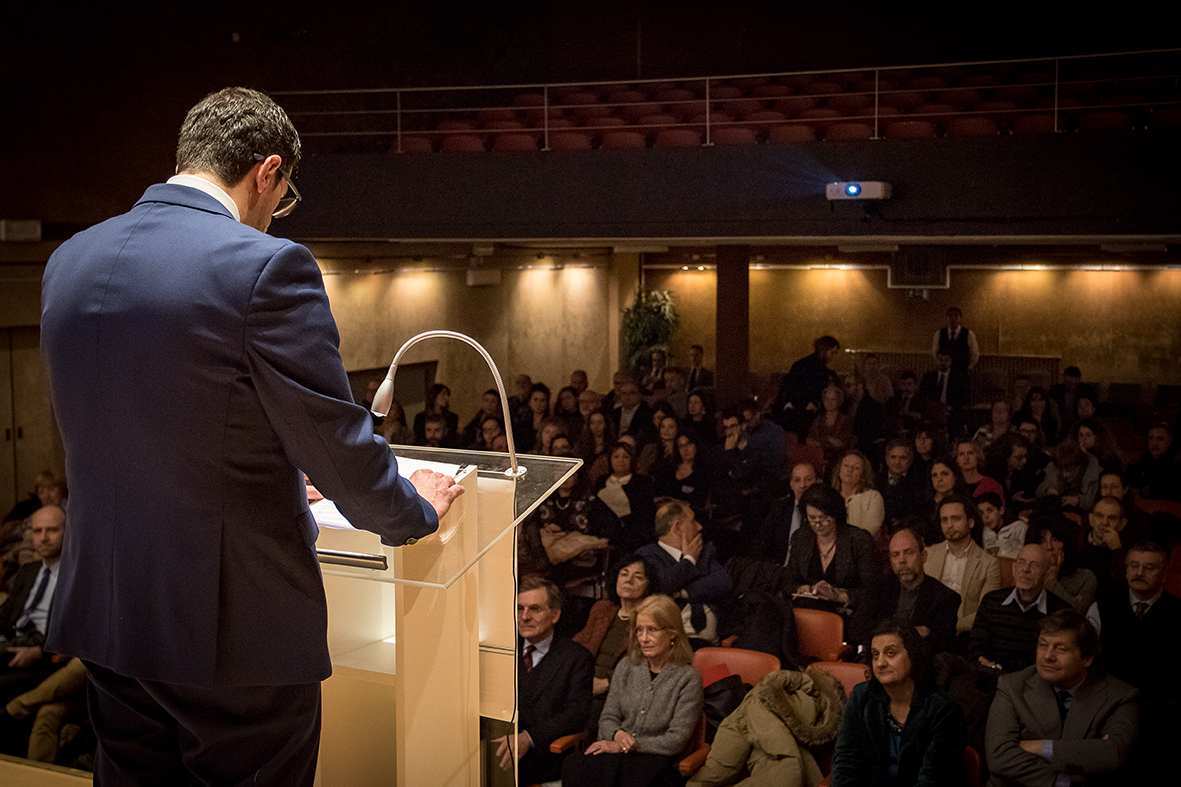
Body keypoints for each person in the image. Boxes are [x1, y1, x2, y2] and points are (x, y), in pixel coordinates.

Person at [39, 87, 462, 785]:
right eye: (283, 194)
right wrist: (413, 509)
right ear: (267, 172)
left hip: (109, 613)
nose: (275, 214)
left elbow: (143, 428)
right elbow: (338, 444)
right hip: (231, 632)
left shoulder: (71, 259)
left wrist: (272, 470)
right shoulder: (265, 266)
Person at [562, 595, 704, 787]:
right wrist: (617, 735)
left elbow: (675, 740)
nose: (644, 638)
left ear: (672, 633)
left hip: (656, 758)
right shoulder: (626, 666)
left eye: (652, 630)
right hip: (619, 753)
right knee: (575, 764)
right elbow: (608, 717)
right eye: (639, 630)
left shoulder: (688, 678)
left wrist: (627, 745)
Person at [984, 610, 1138, 787]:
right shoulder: (1011, 686)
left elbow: (1113, 754)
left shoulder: (1120, 696)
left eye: (1061, 649)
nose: (1048, 656)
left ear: (1086, 659)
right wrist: (1064, 779)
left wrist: (1039, 747)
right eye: (1043, 645)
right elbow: (999, 756)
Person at [832, 619, 968, 787]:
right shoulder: (861, 697)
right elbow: (846, 761)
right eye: (875, 655)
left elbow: (933, 779)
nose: (880, 663)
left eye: (890, 653)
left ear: (913, 655)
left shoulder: (944, 710)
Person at [497, 578, 594, 784]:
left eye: (535, 609)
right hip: (497, 749)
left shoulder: (576, 658)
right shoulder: (501, 651)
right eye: (519, 608)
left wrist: (529, 738)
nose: (524, 617)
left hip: (545, 754)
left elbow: (576, 714)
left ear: (554, 614)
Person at [848, 528, 962, 659]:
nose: (902, 560)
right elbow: (856, 629)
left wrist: (881, 628)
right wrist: (915, 631)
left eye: (908, 553)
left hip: (918, 668)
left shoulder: (944, 597)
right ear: (891, 560)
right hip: (876, 661)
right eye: (896, 555)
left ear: (923, 556)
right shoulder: (880, 588)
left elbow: (940, 644)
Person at [637, 498, 732, 645]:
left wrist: (680, 593)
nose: (699, 527)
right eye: (693, 521)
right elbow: (663, 583)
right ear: (678, 527)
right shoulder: (648, 555)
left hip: (711, 643)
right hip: (669, 642)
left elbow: (722, 582)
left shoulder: (704, 553)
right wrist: (689, 559)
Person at [969, 545, 1071, 675]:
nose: (1025, 569)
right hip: (987, 676)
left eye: (1034, 565)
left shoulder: (1061, 611)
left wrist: (999, 667)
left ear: (1047, 574)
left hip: (1033, 684)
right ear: (1013, 568)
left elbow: (1049, 662)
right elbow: (976, 651)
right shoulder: (991, 601)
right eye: (1021, 562)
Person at [0, 505, 66, 704]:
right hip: (12, 643)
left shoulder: (77, 578)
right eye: (38, 531)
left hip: (41, 658)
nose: (43, 538)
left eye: (52, 530)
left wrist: (38, 653)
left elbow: (78, 635)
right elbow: (6, 614)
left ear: (68, 532)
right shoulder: (29, 570)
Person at [574, 555, 660, 706]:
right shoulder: (602, 609)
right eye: (624, 574)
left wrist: (607, 682)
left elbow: (648, 664)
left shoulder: (651, 619)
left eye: (638, 577)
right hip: (584, 685)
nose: (629, 580)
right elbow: (579, 646)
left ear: (648, 585)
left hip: (619, 693)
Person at [785, 484, 880, 617]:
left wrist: (840, 596)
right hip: (809, 609)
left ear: (835, 514)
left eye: (824, 518)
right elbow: (788, 581)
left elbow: (874, 591)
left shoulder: (858, 539)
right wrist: (803, 589)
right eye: (812, 518)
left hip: (847, 613)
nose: (817, 524)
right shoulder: (801, 537)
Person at [925, 495, 1002, 637]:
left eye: (956, 519)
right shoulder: (928, 555)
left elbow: (986, 612)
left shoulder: (989, 563)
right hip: (927, 632)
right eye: (944, 520)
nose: (949, 525)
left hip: (963, 634)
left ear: (971, 522)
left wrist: (946, 627)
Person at [749, 462, 818, 566]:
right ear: (791, 484)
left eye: (808, 479)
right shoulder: (780, 508)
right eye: (797, 480)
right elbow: (760, 545)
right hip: (779, 571)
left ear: (816, 482)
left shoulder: (824, 511)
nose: (802, 485)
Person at [774, 335, 841, 437]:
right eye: (832, 353)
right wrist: (806, 404)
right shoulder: (810, 367)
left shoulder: (811, 366)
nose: (833, 356)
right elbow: (792, 390)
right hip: (802, 415)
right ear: (824, 350)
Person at [832, 450, 886, 538]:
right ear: (839, 470)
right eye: (846, 465)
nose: (849, 470)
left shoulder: (873, 497)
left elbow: (869, 530)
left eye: (856, 468)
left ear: (863, 474)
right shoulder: (829, 497)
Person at [412, 383, 459, 447]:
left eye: (447, 395)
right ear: (435, 395)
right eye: (443, 394)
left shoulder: (452, 418)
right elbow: (418, 438)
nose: (447, 398)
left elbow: (453, 439)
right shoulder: (420, 418)